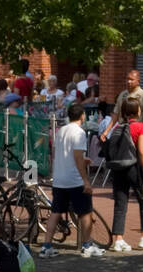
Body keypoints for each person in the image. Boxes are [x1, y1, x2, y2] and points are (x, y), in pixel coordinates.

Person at [39, 102, 102, 259]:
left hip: (59, 178)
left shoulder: (61, 131)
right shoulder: (79, 133)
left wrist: (82, 159)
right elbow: (77, 157)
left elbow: (62, 153)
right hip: (74, 179)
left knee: (56, 212)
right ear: (82, 116)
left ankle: (46, 245)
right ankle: (87, 245)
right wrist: (86, 180)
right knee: (85, 212)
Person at [105, 98, 143, 253]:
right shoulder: (141, 127)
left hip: (118, 168)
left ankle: (118, 239)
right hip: (135, 169)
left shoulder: (119, 126)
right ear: (137, 111)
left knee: (120, 204)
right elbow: (141, 151)